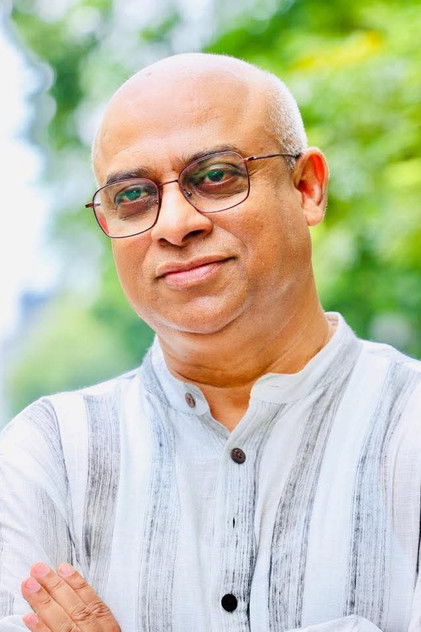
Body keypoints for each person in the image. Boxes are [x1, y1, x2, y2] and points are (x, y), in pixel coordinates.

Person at [0, 53, 419, 632]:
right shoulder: (51, 457)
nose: (175, 224)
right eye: (133, 195)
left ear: (307, 188)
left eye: (217, 176)